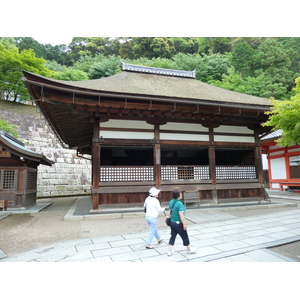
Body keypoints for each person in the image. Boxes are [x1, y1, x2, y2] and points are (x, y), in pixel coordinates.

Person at [167, 188, 196, 256]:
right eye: (180, 193)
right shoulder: (179, 204)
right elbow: (181, 215)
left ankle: (169, 250)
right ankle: (189, 249)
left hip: (172, 222)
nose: (181, 194)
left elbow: (170, 211)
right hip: (178, 223)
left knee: (172, 236)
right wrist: (184, 224)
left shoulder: (171, 202)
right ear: (178, 195)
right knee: (184, 236)